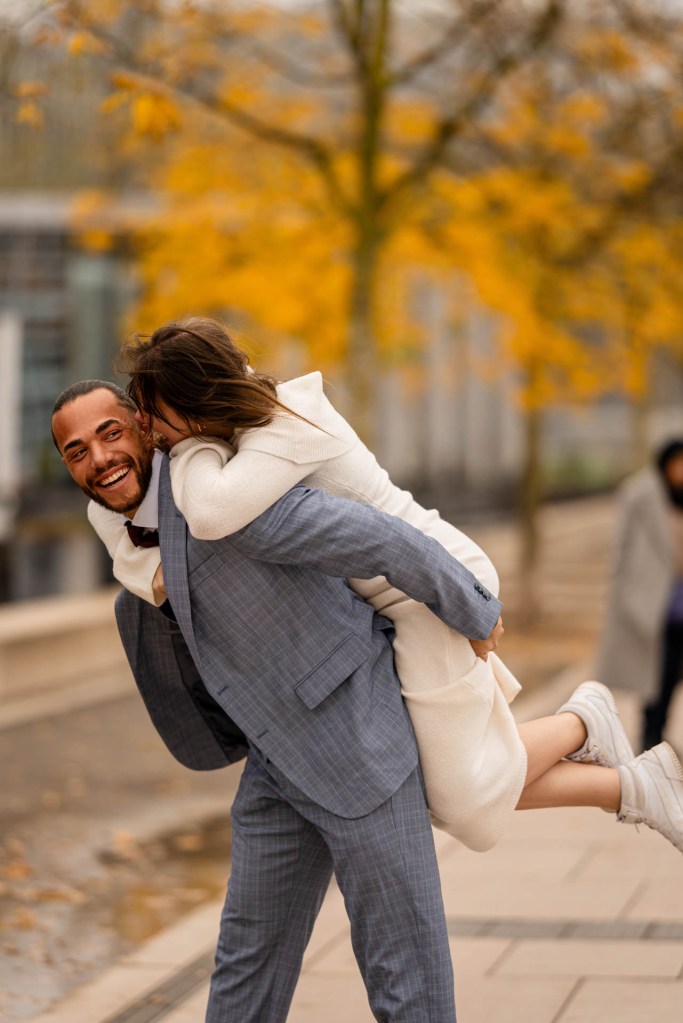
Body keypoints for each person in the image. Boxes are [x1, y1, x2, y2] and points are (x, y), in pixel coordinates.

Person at [52, 382, 683, 1022]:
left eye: (109, 434)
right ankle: (601, 748)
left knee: (405, 973)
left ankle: (592, 738)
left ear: (142, 424)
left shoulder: (218, 493)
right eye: (76, 451)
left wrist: (475, 609)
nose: (98, 458)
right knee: (246, 964)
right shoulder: (123, 527)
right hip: (274, 765)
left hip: (359, 743)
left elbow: (371, 535)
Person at [86, 318, 671, 853]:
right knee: (442, 783)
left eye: (152, 414)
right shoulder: (245, 431)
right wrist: (190, 437)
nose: (147, 431)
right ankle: (631, 784)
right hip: (396, 599)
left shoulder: (288, 423)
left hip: (429, 587)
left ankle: (587, 726)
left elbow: (210, 514)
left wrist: (189, 444)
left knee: (462, 802)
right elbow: (133, 542)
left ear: (195, 404)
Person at [598, 439, 683, 752]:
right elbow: (622, 548)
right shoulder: (640, 494)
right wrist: (621, 594)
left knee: (672, 675)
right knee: (655, 677)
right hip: (651, 601)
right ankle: (651, 740)